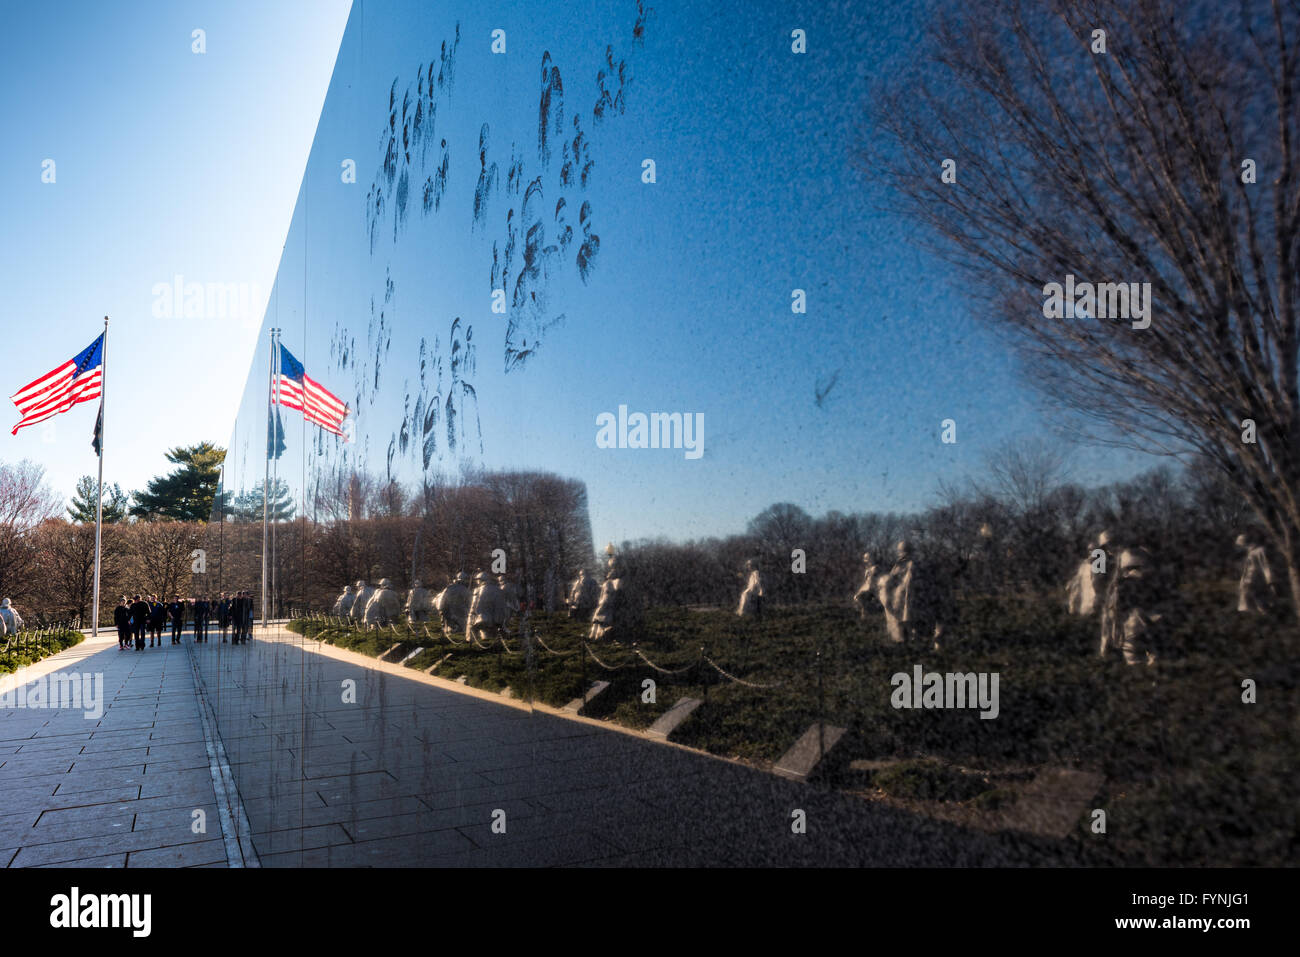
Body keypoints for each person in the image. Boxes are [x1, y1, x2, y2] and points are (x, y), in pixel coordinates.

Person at [1235, 532, 1275, 614]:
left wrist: (1270, 580)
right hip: (1248, 580)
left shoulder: (1259, 551)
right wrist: (1242, 581)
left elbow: (1266, 566)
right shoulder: (1250, 553)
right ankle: (1252, 614)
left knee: (1258, 598)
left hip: (1257, 580)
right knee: (1247, 599)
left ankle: (1266, 612)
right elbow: (1247, 569)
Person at [466, 571, 507, 643]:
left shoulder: (477, 590)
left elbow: (473, 607)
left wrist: (471, 620)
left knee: (471, 624)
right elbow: (501, 608)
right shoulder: (498, 590)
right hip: (495, 621)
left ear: (481, 580)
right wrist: (498, 622)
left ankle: (470, 642)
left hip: (481, 620)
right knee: (489, 637)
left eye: (478, 580)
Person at [854, 552, 882, 621]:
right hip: (868, 588)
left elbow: (876, 580)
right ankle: (865, 613)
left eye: (867, 560)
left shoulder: (875, 568)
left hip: (874, 589)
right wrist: (862, 589)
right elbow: (866, 582)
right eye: (865, 560)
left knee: (859, 598)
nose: (866, 562)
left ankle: (868, 612)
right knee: (857, 598)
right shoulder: (867, 570)